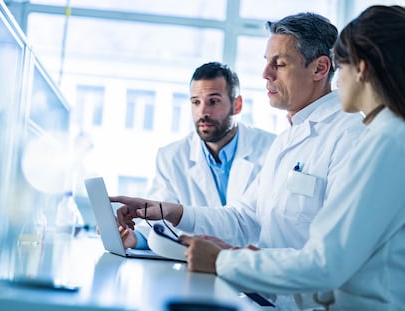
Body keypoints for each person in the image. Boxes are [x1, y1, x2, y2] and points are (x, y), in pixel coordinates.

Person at [112, 12, 366, 309]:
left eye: (279, 64)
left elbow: (333, 258)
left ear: (320, 68)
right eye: (267, 62)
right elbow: (243, 217)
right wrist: (168, 211)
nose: (265, 74)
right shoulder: (288, 138)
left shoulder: (350, 136)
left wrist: (231, 258)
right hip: (271, 299)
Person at [179, 5, 405, 310]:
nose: (338, 82)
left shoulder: (382, 140)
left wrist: (226, 261)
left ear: (361, 68)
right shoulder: (381, 134)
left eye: (341, 65)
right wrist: (242, 258)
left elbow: (326, 263)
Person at [119, 61, 277, 249]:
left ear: (237, 105)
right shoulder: (171, 157)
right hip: (195, 267)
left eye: (213, 101)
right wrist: (133, 238)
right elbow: (159, 224)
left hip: (251, 268)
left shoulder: (272, 150)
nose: (203, 112)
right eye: (196, 102)